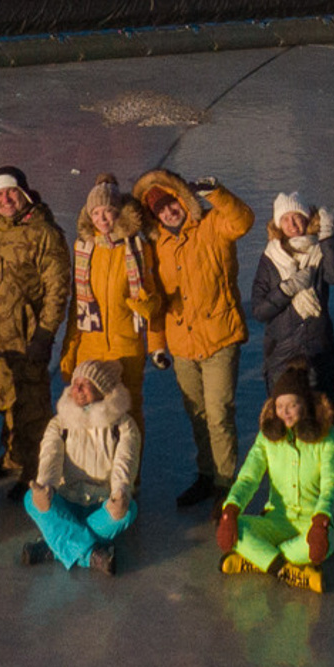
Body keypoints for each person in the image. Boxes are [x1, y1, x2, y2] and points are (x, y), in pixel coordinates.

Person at [132, 167, 255, 509]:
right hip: (182, 344)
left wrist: (217, 192)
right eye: (160, 209)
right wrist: (156, 345)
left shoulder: (212, 225)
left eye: (172, 203)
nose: (169, 212)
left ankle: (227, 487)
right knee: (197, 414)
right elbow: (155, 300)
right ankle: (206, 475)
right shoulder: (156, 247)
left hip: (220, 337)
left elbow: (244, 221)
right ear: (152, 215)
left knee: (218, 413)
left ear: (182, 199)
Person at [0, 164, 71, 489]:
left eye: (11, 192)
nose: (5, 200)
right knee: (5, 400)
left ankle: (36, 472)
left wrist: (45, 334)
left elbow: (57, 287)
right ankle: (14, 457)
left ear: (24, 192)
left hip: (28, 337)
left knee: (32, 408)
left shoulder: (43, 232)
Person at [217, 363, 334, 594]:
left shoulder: (327, 437)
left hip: (311, 525)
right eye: (279, 405)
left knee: (323, 546)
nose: (284, 412)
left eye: (291, 405)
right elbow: (248, 477)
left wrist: (321, 520)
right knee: (238, 528)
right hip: (276, 522)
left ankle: (256, 559)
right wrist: (231, 509)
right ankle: (291, 572)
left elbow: (331, 484)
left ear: (304, 405)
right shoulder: (267, 438)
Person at [20, 356, 140, 576]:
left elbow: (126, 461)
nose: (78, 388)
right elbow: (50, 455)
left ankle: (53, 546)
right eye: (76, 382)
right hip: (67, 500)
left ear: (102, 390)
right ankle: (91, 555)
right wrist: (45, 486)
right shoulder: (60, 423)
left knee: (127, 512)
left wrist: (120, 492)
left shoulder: (124, 426)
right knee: (31, 500)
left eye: (86, 384)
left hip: (101, 505)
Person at [63, 175, 160, 436]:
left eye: (108, 211)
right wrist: (69, 351)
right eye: (96, 213)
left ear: (119, 213)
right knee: (84, 417)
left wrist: (146, 306)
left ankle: (131, 477)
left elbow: (152, 298)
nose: (103, 219)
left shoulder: (137, 248)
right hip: (90, 349)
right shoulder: (84, 250)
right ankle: (89, 475)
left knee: (128, 414)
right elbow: (78, 307)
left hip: (126, 348)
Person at [248, 193, 334, 404]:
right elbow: (259, 310)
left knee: (320, 419)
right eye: (285, 219)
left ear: (307, 219)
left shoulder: (320, 250)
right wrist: (287, 289)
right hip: (281, 353)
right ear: (278, 224)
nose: (292, 224)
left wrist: (328, 234)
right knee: (284, 419)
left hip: (318, 350)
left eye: (297, 217)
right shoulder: (270, 258)